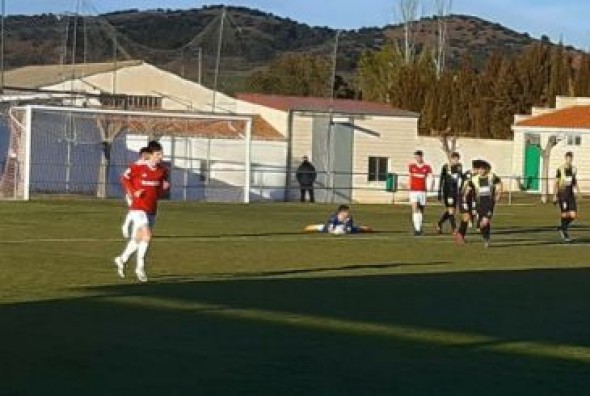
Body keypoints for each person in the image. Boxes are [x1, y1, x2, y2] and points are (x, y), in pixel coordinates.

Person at [114, 141, 169, 282]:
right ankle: (140, 266)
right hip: (138, 207)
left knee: (139, 239)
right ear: (150, 155)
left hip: (152, 208)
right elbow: (124, 178)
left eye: (161, 154)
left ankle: (122, 258)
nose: (160, 157)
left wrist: (164, 188)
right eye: (158, 154)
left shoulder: (162, 171)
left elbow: (157, 193)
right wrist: (133, 192)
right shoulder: (138, 167)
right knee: (147, 235)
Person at [462, 160, 502, 248]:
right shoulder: (474, 179)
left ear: (486, 169)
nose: (481, 171)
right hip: (479, 204)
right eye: (479, 169)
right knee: (481, 224)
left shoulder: (492, 177)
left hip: (490, 204)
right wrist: (465, 195)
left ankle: (487, 240)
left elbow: (499, 183)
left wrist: (498, 193)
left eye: (483, 169)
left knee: (485, 221)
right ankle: (486, 238)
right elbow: (468, 188)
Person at [121, 147, 152, 239]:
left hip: (143, 196)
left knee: (138, 212)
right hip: (134, 194)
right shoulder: (135, 166)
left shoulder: (148, 165)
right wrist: (130, 191)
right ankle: (127, 227)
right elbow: (125, 178)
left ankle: (132, 230)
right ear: (143, 155)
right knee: (136, 212)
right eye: (148, 154)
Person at [554, 152, 581, 242]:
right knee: (565, 214)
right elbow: (556, 183)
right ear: (565, 158)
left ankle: (562, 227)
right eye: (568, 158)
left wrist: (578, 191)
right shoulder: (560, 169)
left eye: (571, 159)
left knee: (573, 215)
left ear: (572, 159)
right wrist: (554, 195)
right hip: (562, 194)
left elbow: (574, 181)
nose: (569, 160)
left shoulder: (574, 169)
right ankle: (565, 233)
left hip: (570, 194)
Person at [454, 160, 481, 244]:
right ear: (475, 168)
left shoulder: (477, 176)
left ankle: (460, 235)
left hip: (470, 199)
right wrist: (464, 202)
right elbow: (465, 190)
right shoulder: (469, 176)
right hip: (463, 198)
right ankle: (459, 235)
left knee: (467, 217)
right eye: (479, 168)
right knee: (466, 216)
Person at [436, 152, 463, 234]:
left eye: (457, 159)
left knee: (452, 210)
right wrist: (439, 191)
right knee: (451, 210)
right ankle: (454, 228)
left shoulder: (459, 167)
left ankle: (439, 223)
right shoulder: (445, 167)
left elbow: (461, 176)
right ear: (451, 159)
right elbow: (442, 179)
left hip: (455, 191)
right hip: (447, 191)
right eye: (454, 159)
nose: (456, 161)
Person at [408, 150, 433, 236]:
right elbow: (410, 177)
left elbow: (430, 178)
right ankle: (417, 229)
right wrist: (409, 187)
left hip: (422, 191)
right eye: (415, 157)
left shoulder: (427, 167)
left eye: (418, 157)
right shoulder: (411, 166)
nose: (417, 159)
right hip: (413, 191)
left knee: (421, 210)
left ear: (421, 157)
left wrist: (430, 188)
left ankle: (419, 228)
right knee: (414, 209)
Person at [304, 204, 373, 235]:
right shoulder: (333, 217)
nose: (348, 213)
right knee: (308, 228)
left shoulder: (349, 218)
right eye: (346, 211)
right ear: (341, 212)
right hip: (327, 228)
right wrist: (335, 230)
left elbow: (349, 228)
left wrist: (347, 229)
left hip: (347, 228)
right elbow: (330, 228)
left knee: (368, 229)